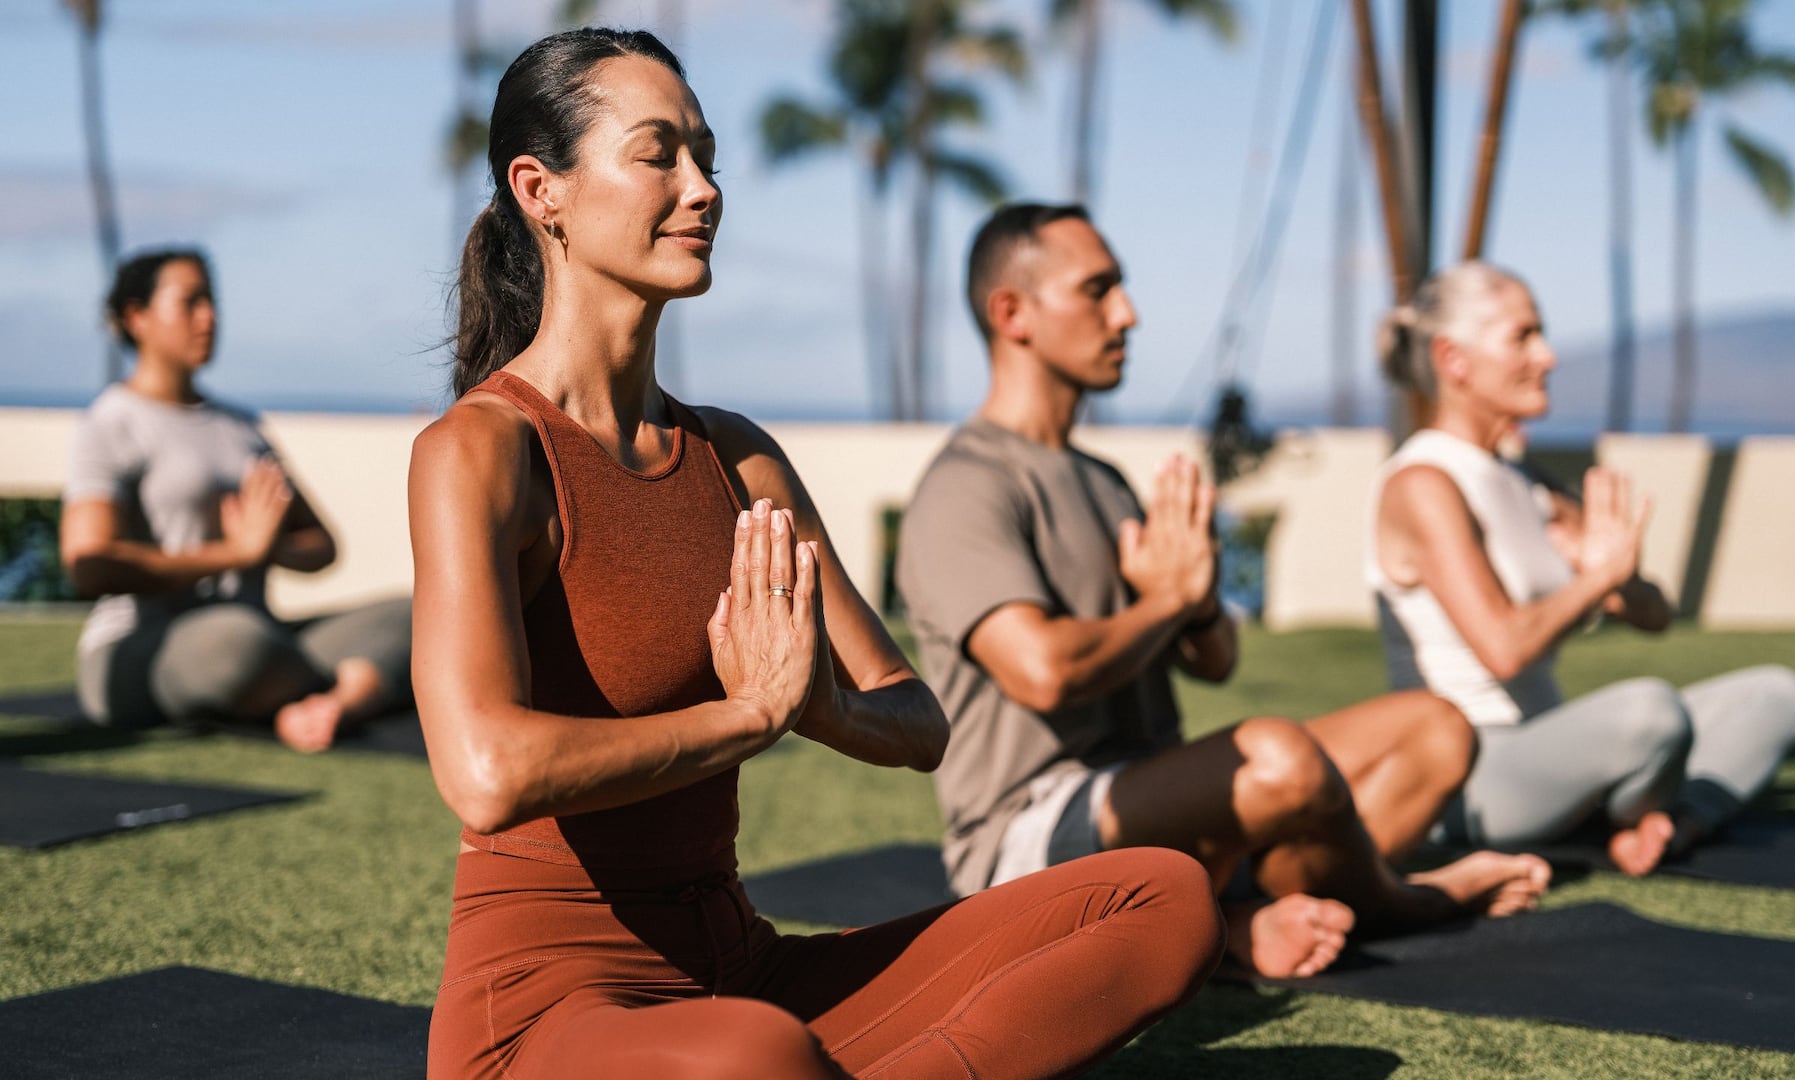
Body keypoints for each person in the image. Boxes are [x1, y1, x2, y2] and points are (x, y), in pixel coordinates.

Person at [409, 30, 1221, 1080]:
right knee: (754, 1057)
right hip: (548, 1010)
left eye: (707, 157)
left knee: (1159, 894)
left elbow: (918, 719)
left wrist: (818, 705)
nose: (702, 189)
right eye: (658, 155)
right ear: (541, 190)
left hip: (742, 973)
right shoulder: (483, 450)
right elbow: (486, 772)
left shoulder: (736, 457)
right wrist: (745, 717)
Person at [896, 203, 1551, 982]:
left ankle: (1234, 916)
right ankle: (1398, 901)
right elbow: (1041, 670)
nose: (1128, 315)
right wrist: (1165, 603)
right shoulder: (966, 486)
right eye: (1098, 291)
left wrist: (1196, 604)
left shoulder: (1104, 481)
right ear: (1013, 315)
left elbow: (1215, 660)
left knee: (1436, 729)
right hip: (1028, 839)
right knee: (1280, 758)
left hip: (1162, 804)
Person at [1369, 261, 1795, 875]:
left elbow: (1655, 616)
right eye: (1523, 336)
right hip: (1468, 773)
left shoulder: (1525, 480)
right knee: (1651, 714)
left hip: (1553, 742)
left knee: (1775, 695)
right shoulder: (1424, 482)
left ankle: (1667, 822)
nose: (1547, 356)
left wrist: (1617, 578)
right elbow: (1502, 649)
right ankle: (1636, 799)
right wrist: (1594, 582)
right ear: (1454, 360)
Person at [58, 248, 411, 752]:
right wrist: (235, 554)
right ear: (137, 318)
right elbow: (90, 564)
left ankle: (333, 703)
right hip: (151, 648)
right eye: (191, 303)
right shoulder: (111, 422)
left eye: (213, 301)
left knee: (418, 614)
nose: (211, 317)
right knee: (234, 643)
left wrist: (271, 549)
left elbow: (321, 544)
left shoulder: (241, 427)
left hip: (265, 637)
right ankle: (358, 683)